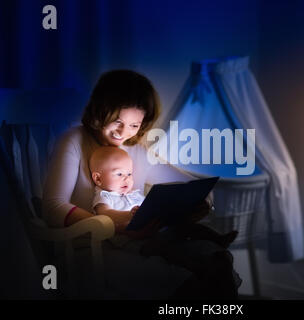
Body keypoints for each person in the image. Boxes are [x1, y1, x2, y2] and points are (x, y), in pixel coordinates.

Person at [42, 69, 241, 299]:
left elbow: (190, 184)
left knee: (215, 260)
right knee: (175, 278)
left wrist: (202, 201)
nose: (123, 133)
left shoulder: (136, 150)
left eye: (134, 125)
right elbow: (53, 208)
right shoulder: (74, 140)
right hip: (89, 250)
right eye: (117, 121)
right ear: (100, 110)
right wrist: (112, 224)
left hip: (141, 243)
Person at [88, 145, 238, 250]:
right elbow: (105, 214)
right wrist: (129, 214)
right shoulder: (104, 196)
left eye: (129, 174)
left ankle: (217, 239)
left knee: (186, 227)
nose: (126, 179)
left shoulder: (132, 193)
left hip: (154, 227)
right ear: (98, 179)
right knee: (167, 242)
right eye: (119, 174)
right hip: (131, 238)